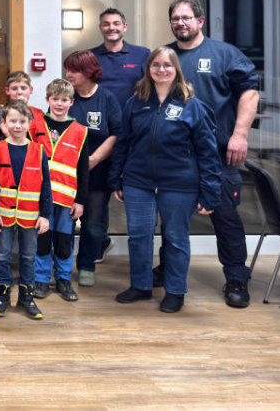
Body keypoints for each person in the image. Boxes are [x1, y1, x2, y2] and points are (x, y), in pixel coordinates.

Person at [109, 47, 222, 314]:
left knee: (176, 238)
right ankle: (141, 286)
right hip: (138, 182)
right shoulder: (135, 102)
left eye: (167, 65)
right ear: (148, 69)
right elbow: (123, 143)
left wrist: (210, 192)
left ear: (176, 70)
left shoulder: (192, 105)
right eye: (156, 65)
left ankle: (175, 291)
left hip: (179, 184)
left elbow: (208, 152)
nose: (161, 70)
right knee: (138, 236)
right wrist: (116, 179)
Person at [166, 0, 260, 308]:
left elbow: (250, 93)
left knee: (226, 218)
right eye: (176, 18)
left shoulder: (225, 54)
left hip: (218, 154)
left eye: (186, 17)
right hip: (177, 156)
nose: (181, 23)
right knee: (172, 217)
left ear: (200, 21)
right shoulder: (166, 56)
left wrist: (240, 134)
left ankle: (236, 278)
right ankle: (167, 268)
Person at [64, 50, 122, 287]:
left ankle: (87, 266)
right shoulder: (65, 97)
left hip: (97, 173)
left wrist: (94, 159)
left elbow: (117, 134)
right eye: (67, 70)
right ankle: (61, 267)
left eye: (74, 70)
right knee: (65, 223)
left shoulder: (106, 99)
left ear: (88, 72)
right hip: (67, 176)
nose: (69, 74)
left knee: (93, 224)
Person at [0, 100, 51, 320]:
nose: (17, 126)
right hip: (3, 215)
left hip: (30, 216)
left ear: (29, 123)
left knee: (28, 257)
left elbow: (46, 185)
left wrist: (45, 215)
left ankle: (27, 297)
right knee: (1, 255)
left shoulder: (38, 150)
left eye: (22, 121)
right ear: (4, 123)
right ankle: (2, 295)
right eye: (13, 121)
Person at [31, 79, 89, 302]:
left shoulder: (80, 131)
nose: (59, 104)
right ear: (48, 99)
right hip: (41, 198)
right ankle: (41, 279)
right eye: (55, 99)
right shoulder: (35, 126)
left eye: (64, 100)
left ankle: (64, 279)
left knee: (65, 241)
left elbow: (83, 170)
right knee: (43, 240)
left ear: (71, 102)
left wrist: (80, 200)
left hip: (67, 199)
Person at [89, 7, 150, 105]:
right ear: (100, 28)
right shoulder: (89, 56)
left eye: (116, 24)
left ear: (125, 27)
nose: (111, 28)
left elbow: (152, 85)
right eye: (106, 24)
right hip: (99, 112)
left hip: (133, 112)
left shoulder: (142, 54)